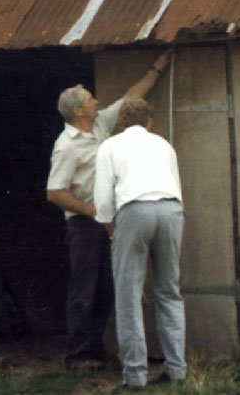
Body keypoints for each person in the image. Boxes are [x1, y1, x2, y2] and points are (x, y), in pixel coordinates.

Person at [46, 51, 173, 371]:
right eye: (90, 99)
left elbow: (131, 98)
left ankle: (95, 349)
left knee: (106, 287)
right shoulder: (67, 145)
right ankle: (77, 355)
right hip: (84, 224)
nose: (96, 101)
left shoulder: (100, 123)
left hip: (106, 220)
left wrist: (157, 68)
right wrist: (92, 211)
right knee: (84, 288)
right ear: (78, 110)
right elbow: (55, 193)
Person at [94, 98, 186, 390]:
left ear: (121, 121)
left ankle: (134, 375)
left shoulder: (109, 146)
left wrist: (109, 224)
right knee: (169, 291)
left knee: (128, 296)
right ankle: (176, 369)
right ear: (149, 121)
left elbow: (103, 197)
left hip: (134, 211)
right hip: (171, 209)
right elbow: (176, 184)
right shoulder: (163, 144)